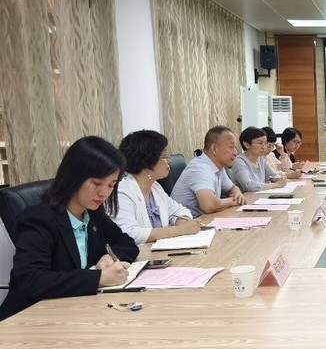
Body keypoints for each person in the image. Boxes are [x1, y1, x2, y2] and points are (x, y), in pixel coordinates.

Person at [0, 136, 139, 321]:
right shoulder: (39, 219)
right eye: (97, 183)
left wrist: (111, 257)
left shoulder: (93, 213)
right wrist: (99, 278)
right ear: (74, 176)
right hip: (29, 318)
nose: (104, 193)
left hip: (73, 312)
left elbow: (127, 243)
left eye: (111, 185)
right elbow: (31, 279)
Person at [113, 130, 201, 245]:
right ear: (147, 161)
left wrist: (182, 221)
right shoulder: (122, 192)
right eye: (164, 156)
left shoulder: (155, 187)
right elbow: (129, 234)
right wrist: (179, 230)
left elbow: (180, 210)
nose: (169, 161)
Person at [170, 126, 246, 217]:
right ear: (214, 149)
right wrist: (233, 201)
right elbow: (209, 206)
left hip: (204, 219)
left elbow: (231, 187)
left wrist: (237, 192)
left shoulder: (218, 166)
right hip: (188, 222)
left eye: (235, 147)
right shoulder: (199, 168)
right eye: (231, 147)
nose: (235, 152)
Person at [231, 127, 288, 192]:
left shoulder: (260, 160)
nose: (264, 147)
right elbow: (248, 185)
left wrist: (279, 179)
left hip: (259, 195)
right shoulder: (239, 161)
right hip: (246, 197)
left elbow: (274, 175)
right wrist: (276, 184)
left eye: (265, 143)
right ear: (246, 144)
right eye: (260, 143)